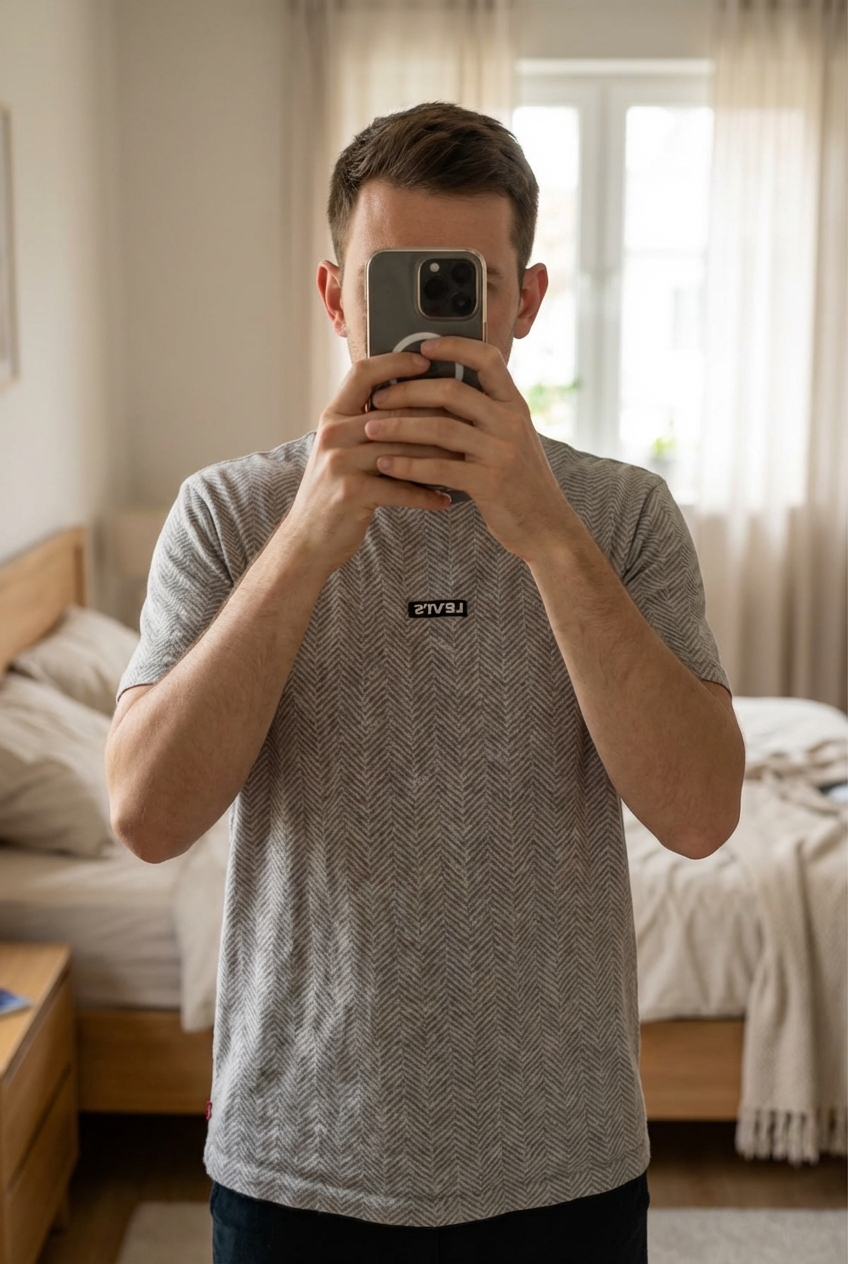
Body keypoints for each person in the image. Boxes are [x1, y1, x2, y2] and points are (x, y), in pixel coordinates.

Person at [105, 102, 745, 1263]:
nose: (429, 322)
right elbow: (146, 815)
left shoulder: (620, 516)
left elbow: (699, 815)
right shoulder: (229, 513)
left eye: (463, 285)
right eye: (393, 283)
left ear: (523, 301)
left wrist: (547, 537)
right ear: (335, 296)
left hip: (562, 1159)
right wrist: (305, 544)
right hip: (297, 1154)